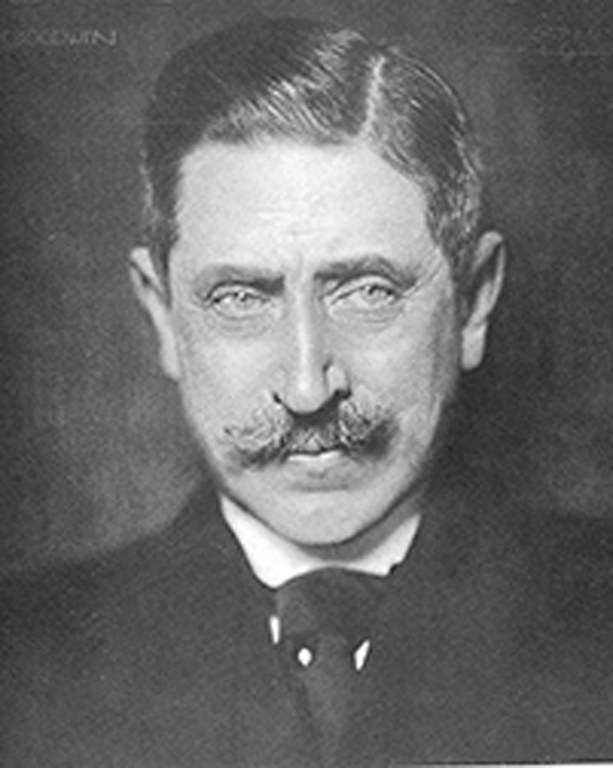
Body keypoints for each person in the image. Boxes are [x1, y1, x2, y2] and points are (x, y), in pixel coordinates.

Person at [2, 17, 613, 767]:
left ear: (474, 302)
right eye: (240, 298)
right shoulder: (19, 664)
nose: (305, 388)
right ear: (162, 314)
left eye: (367, 290)